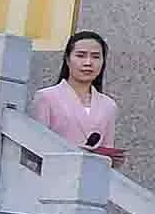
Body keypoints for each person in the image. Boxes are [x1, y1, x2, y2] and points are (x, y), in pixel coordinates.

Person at [27, 29, 116, 159]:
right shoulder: (46, 97)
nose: (88, 63)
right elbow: (35, 147)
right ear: (68, 60)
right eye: (81, 55)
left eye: (96, 57)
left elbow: (108, 152)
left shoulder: (108, 105)